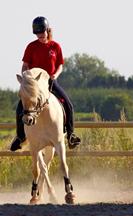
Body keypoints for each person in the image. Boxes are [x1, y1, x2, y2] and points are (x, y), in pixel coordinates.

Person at [10, 16, 81, 151]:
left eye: (42, 33)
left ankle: (70, 135)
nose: (40, 36)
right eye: (37, 34)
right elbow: (25, 65)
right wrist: (26, 77)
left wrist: (56, 75)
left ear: (47, 30)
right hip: (35, 85)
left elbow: (60, 65)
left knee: (69, 105)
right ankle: (20, 137)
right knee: (20, 108)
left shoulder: (55, 46)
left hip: (50, 81)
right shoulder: (31, 46)